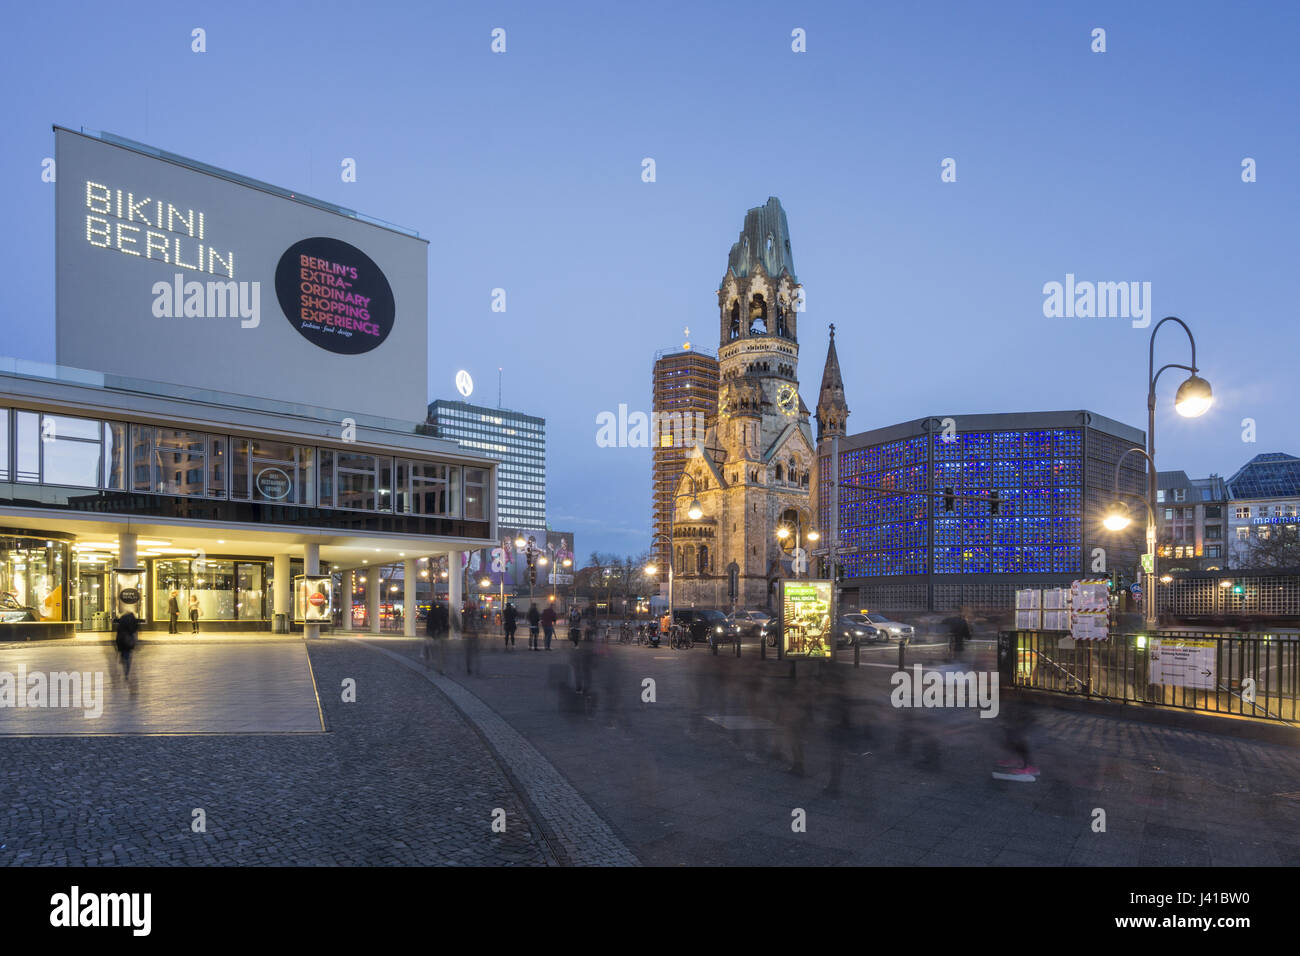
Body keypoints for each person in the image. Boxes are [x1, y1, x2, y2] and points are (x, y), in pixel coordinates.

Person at [113, 609, 140, 678]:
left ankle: (123, 660)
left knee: (123, 653)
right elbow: (135, 631)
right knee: (128, 655)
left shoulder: (122, 620)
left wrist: (116, 644)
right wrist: (135, 640)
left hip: (121, 640)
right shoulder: (133, 620)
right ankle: (126, 672)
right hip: (128, 641)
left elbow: (118, 631)